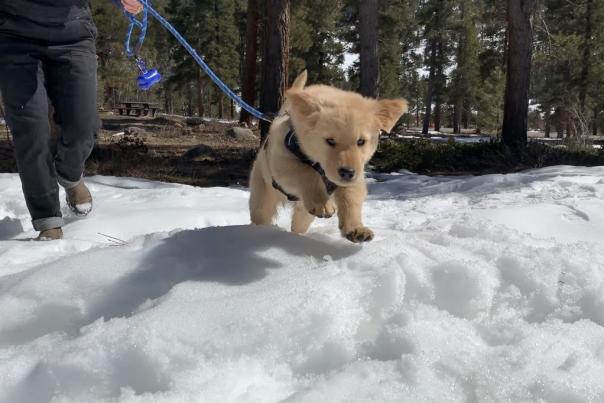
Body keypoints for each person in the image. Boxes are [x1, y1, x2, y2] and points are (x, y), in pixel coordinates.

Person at [0, 0, 142, 240]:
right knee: (31, 130)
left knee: (83, 126)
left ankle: (69, 174)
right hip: (14, 38)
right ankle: (48, 221)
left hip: (73, 36)